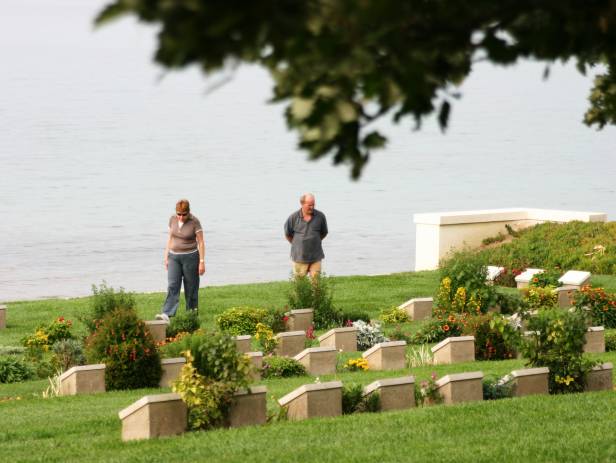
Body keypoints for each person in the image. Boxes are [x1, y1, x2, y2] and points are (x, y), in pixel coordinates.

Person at [156, 199, 205, 322]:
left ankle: (191, 315)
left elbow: (201, 242)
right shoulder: (172, 219)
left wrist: (202, 262)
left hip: (191, 257)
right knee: (172, 285)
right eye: (179, 214)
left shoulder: (195, 222)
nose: (181, 217)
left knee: (191, 287)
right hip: (174, 257)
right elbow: (170, 238)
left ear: (189, 212)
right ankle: (167, 314)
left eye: (184, 214)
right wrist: (166, 256)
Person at [284, 193, 328, 277]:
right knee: (300, 284)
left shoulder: (320, 216)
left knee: (316, 284)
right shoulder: (293, 217)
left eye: (313, 204)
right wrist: (297, 244)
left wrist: (315, 241)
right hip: (299, 258)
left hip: (316, 257)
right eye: (309, 205)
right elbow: (287, 234)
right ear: (302, 204)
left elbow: (324, 233)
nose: (312, 207)